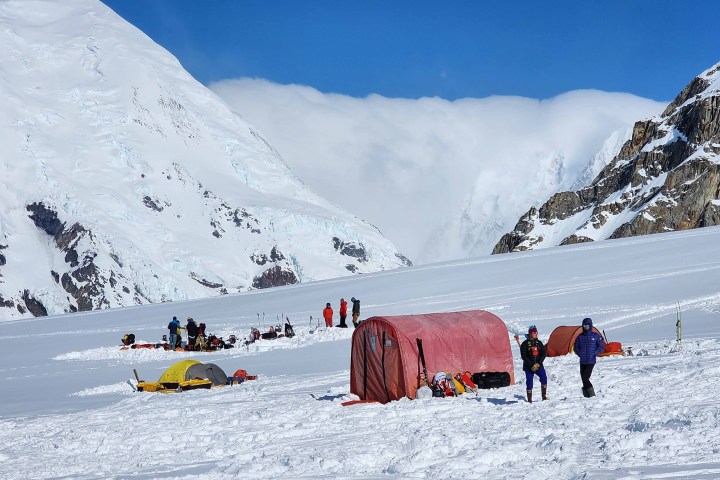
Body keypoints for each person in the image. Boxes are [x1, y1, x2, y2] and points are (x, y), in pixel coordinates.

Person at [574, 317, 605, 398]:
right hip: (582, 360)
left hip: (591, 361)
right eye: (584, 325)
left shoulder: (595, 336)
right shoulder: (580, 336)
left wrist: (595, 353)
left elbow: (601, 346)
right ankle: (586, 396)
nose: (585, 327)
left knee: (585, 377)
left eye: (587, 325)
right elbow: (575, 347)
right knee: (583, 378)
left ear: (590, 325)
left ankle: (592, 395)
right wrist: (579, 353)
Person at [520, 325, 547, 403]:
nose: (536, 334)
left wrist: (538, 363)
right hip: (528, 367)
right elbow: (524, 356)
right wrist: (531, 365)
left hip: (538, 365)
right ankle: (529, 399)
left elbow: (544, 353)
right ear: (530, 333)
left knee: (544, 378)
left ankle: (544, 396)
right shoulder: (525, 344)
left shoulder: (539, 343)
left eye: (536, 332)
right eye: (534, 332)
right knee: (529, 382)